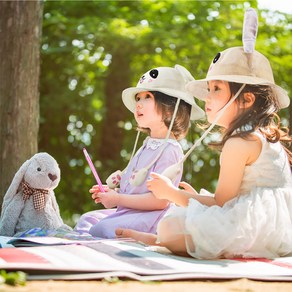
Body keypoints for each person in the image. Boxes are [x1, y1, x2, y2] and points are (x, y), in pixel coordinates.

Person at [116, 46, 292, 259]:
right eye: (209, 89)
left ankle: (159, 240)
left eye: (216, 89)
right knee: (182, 219)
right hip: (274, 224)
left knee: (171, 226)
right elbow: (232, 198)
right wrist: (192, 198)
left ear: (246, 99)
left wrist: (172, 194)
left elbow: (222, 204)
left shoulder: (239, 143)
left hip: (256, 226)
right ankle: (160, 240)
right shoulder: (256, 135)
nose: (207, 97)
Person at [74, 65, 205, 238]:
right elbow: (135, 189)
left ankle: (89, 250)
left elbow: (159, 201)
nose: (138, 104)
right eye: (138, 98)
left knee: (102, 229)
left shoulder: (170, 150)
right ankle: (80, 246)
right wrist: (114, 194)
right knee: (88, 219)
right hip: (130, 212)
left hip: (151, 218)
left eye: (147, 97)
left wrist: (117, 200)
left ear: (169, 108)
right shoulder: (147, 144)